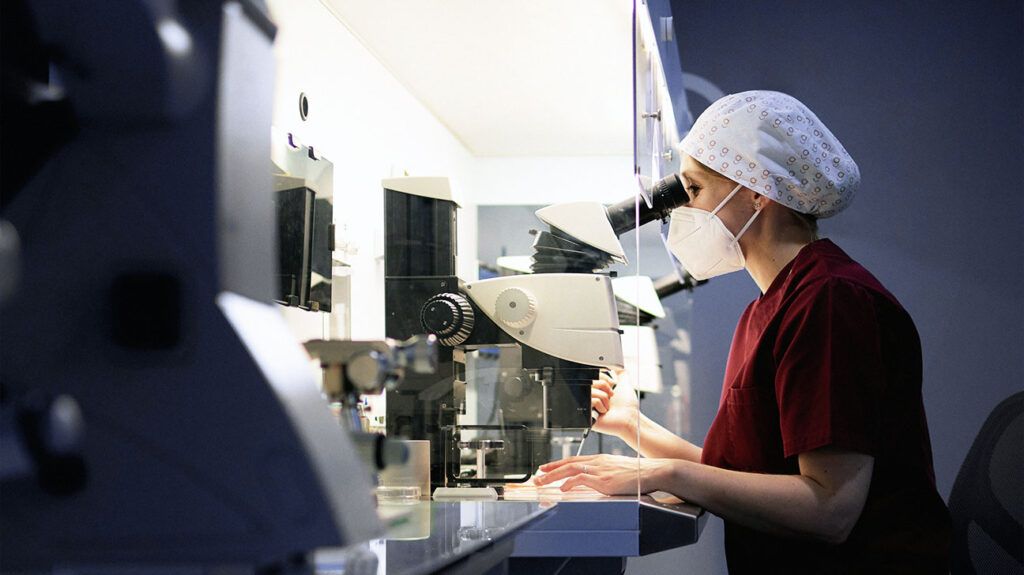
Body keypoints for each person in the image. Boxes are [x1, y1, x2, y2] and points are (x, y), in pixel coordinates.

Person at [534, 91, 950, 573]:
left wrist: (665, 473)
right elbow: (742, 474)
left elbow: (830, 510)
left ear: (757, 191)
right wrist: (633, 425)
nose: (679, 212)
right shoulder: (770, 307)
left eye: (692, 190)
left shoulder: (831, 301)